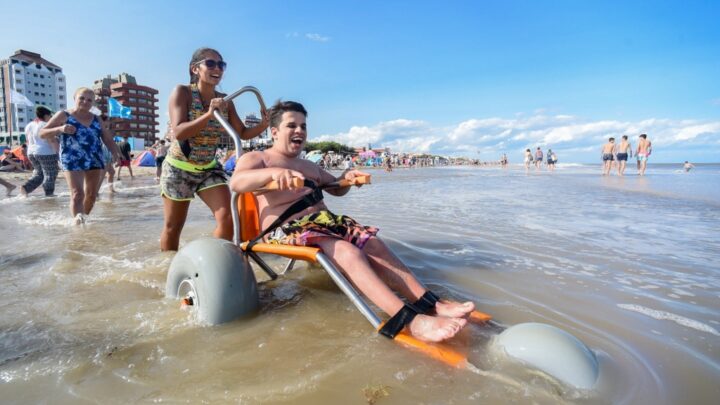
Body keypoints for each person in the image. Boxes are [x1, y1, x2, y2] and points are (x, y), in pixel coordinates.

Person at [230, 100, 473, 343]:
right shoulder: (259, 159)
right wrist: (272, 174)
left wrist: (347, 179)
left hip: (327, 223)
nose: (299, 131)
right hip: (288, 229)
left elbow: (335, 189)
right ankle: (411, 321)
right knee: (348, 252)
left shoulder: (308, 165)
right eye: (291, 125)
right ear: (274, 132)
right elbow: (237, 183)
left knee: (373, 244)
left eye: (303, 126)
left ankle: (431, 303)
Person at [160, 47, 269, 251]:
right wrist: (209, 114)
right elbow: (180, 132)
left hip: (208, 168)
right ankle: (169, 269)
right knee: (173, 227)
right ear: (195, 69)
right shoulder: (182, 92)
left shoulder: (226, 101)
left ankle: (211, 260)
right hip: (179, 168)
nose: (217, 68)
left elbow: (242, 134)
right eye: (210, 63)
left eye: (221, 64)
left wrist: (263, 125)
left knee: (228, 219)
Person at [40, 87, 120, 223]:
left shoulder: (96, 119)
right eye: (81, 98)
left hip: (94, 158)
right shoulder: (63, 115)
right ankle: (78, 223)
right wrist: (60, 128)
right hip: (71, 158)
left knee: (91, 195)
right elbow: (42, 133)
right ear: (75, 99)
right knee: (77, 194)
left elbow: (106, 138)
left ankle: (83, 219)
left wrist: (115, 153)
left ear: (93, 103)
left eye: (89, 100)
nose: (85, 101)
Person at [19, 106, 60, 197]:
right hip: (46, 152)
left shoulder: (29, 125)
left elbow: (27, 140)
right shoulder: (45, 125)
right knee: (50, 173)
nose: (51, 118)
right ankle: (49, 194)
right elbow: (51, 140)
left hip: (31, 152)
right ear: (46, 115)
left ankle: (26, 188)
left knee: (39, 173)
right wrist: (59, 152)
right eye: (50, 116)